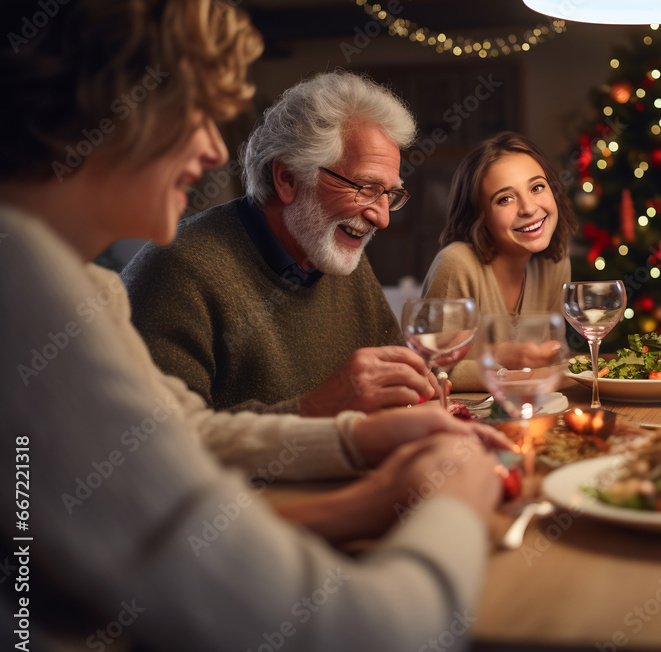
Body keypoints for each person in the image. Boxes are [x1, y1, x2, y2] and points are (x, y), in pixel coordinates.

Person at [0, 2, 502, 652]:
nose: (214, 148)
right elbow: (371, 642)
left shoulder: (79, 282)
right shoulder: (27, 289)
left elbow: (178, 436)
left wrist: (362, 439)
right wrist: (454, 496)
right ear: (107, 109)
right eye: (195, 110)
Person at [121, 68, 441, 415]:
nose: (382, 217)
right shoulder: (177, 269)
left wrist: (418, 388)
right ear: (288, 178)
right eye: (366, 188)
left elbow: (395, 382)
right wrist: (315, 408)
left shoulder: (337, 254)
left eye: (390, 194)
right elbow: (163, 441)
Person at [421, 131, 578, 390]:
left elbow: (550, 360)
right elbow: (431, 369)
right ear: (479, 216)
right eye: (505, 199)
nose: (528, 208)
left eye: (537, 187)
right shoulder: (457, 264)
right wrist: (501, 361)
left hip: (531, 411)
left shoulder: (555, 262)